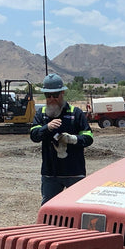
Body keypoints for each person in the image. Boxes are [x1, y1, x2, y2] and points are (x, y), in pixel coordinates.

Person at [30, 73, 93, 204]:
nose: (51, 99)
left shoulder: (75, 113)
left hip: (74, 173)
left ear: (62, 93)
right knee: (49, 208)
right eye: (48, 95)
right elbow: (34, 136)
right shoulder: (41, 114)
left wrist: (73, 139)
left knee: (77, 208)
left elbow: (88, 138)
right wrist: (46, 127)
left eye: (55, 95)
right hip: (50, 174)